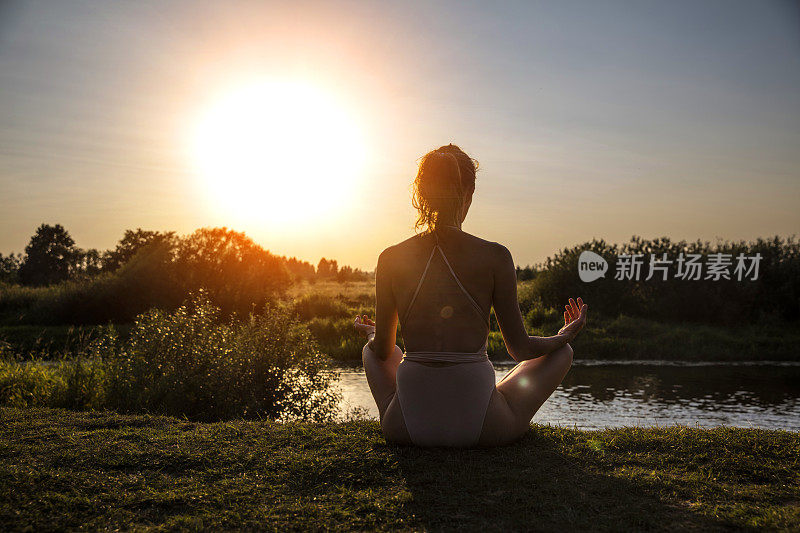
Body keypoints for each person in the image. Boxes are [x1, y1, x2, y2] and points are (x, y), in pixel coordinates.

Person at [353, 143, 588, 447]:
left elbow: (384, 352)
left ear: (422, 192)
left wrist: (372, 333)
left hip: (406, 428)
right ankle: (492, 404)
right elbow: (520, 349)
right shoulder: (495, 256)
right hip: (482, 427)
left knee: (374, 351)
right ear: (469, 192)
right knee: (561, 353)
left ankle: (403, 414)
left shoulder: (391, 258)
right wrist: (564, 336)